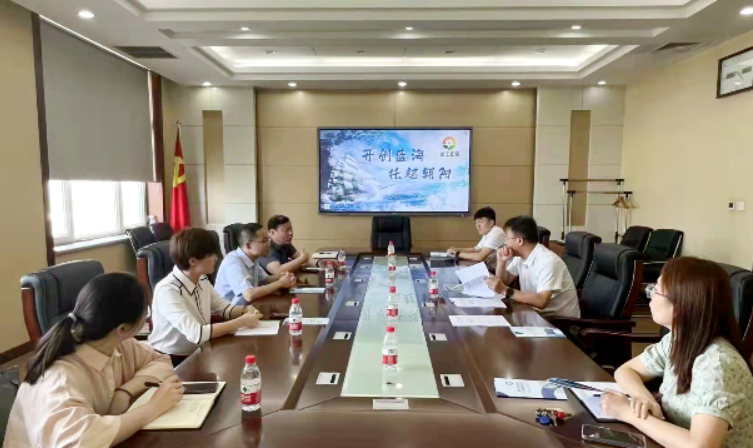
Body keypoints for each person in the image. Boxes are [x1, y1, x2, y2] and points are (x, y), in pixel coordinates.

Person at [3, 273, 183, 448]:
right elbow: (80, 441)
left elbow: (160, 361)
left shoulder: (118, 344)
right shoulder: (61, 379)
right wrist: (151, 409)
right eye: (145, 313)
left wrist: (125, 392)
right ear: (122, 329)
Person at [601, 257, 753, 448]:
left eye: (656, 290)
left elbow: (700, 446)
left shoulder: (717, 364)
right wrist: (643, 398)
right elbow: (626, 371)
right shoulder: (678, 340)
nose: (649, 295)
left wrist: (627, 413)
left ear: (681, 305)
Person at [149, 228, 264, 366]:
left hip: (199, 351)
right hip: (170, 360)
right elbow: (196, 333)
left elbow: (224, 309)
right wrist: (241, 322)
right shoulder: (168, 290)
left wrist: (244, 310)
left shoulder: (201, 278)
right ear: (193, 261)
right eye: (211, 255)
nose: (216, 258)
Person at [485, 215, 579, 318]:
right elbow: (503, 282)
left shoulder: (548, 261)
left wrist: (506, 290)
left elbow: (541, 301)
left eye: (507, 239)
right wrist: (501, 262)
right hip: (534, 314)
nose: (505, 243)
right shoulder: (521, 257)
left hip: (558, 321)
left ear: (520, 241)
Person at [215, 223, 297, 306]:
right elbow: (249, 295)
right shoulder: (233, 262)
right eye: (264, 241)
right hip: (229, 312)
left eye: (268, 240)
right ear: (248, 245)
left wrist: (283, 276)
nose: (269, 244)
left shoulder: (253, 258)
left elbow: (265, 280)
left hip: (248, 307)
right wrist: (280, 283)